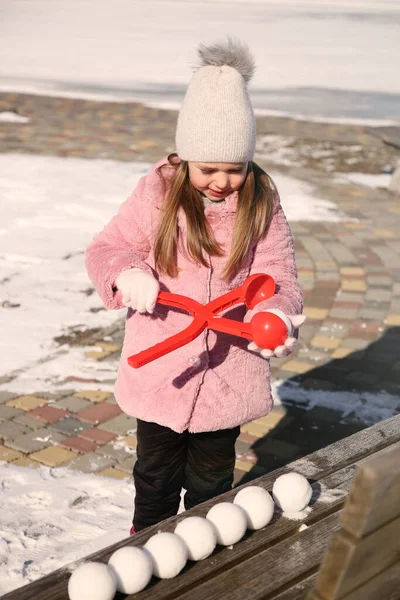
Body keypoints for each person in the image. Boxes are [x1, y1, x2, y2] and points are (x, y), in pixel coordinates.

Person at [86, 38, 305, 534]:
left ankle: (204, 561)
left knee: (212, 482)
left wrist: (274, 311)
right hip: (162, 367)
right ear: (185, 159)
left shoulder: (261, 201)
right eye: (209, 169)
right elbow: (106, 246)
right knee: (156, 475)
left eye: (235, 169)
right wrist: (126, 272)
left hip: (228, 370)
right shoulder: (158, 194)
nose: (222, 181)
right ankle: (146, 546)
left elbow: (279, 271)